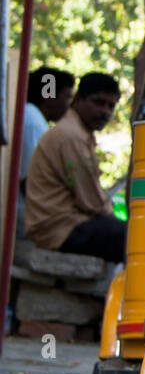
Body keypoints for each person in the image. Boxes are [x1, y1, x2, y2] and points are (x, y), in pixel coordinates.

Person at [23, 72, 126, 263]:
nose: (105, 112)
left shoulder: (79, 132)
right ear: (78, 100)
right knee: (135, 238)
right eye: (98, 102)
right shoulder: (72, 136)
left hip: (65, 224)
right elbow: (92, 202)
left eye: (111, 106)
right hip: (59, 229)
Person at [16, 66, 75, 237]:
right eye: (67, 97)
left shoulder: (33, 118)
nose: (69, 104)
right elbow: (30, 179)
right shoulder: (32, 121)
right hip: (25, 217)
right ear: (48, 96)